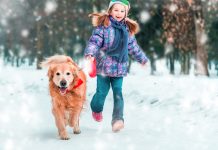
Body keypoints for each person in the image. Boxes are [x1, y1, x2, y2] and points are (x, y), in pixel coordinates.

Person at [84, 0, 148, 132]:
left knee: (118, 93)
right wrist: (90, 53)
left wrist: (142, 59)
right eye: (116, 10)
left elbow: (133, 47)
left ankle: (118, 120)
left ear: (126, 13)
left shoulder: (127, 30)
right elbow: (95, 42)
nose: (119, 13)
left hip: (119, 68)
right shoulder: (103, 27)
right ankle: (96, 108)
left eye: (122, 11)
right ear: (110, 11)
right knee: (101, 93)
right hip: (104, 68)